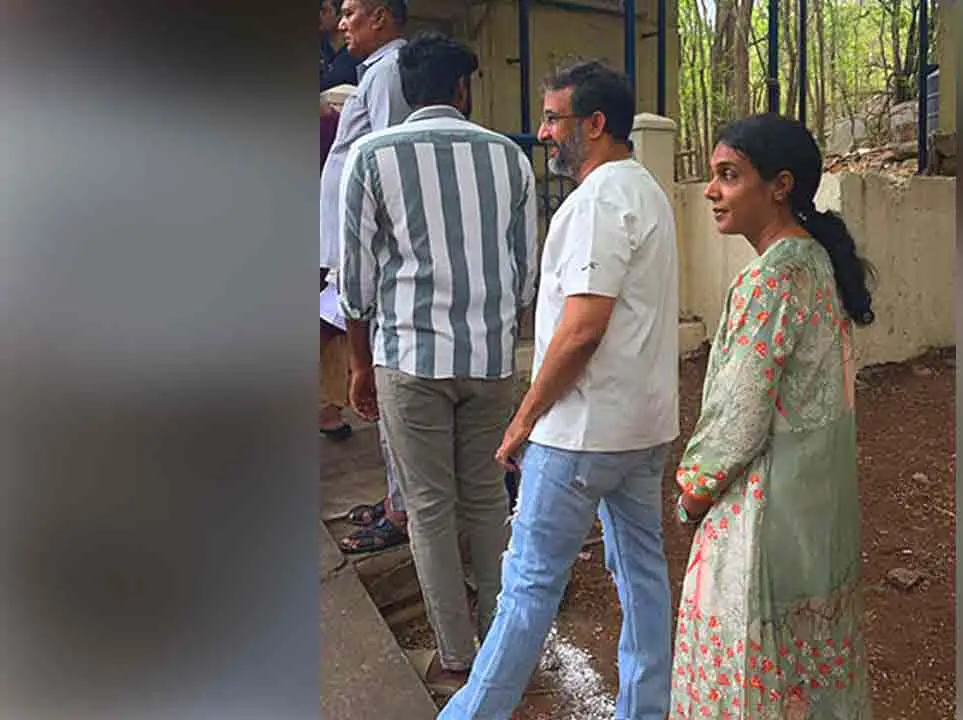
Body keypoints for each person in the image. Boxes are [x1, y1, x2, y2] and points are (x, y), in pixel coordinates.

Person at [440, 60, 679, 719]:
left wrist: (522, 421)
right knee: (642, 578)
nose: (543, 132)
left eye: (554, 118)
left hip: (580, 435)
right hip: (641, 429)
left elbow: (582, 330)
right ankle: (645, 709)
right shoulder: (646, 191)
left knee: (526, 589)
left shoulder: (599, 201)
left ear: (594, 125)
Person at [338, 32, 539, 690]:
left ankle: (457, 659)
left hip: (408, 360)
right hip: (488, 359)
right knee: (485, 499)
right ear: (462, 90)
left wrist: (360, 366)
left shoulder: (371, 156)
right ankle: (504, 646)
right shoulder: (510, 159)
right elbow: (526, 276)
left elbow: (356, 286)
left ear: (403, 90)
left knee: (428, 508)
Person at [668, 113, 876, 719]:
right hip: (817, 513)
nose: (711, 191)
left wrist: (693, 494)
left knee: (750, 669)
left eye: (728, 176)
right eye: (712, 176)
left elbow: (738, 419)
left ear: (779, 185)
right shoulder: (816, 263)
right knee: (810, 668)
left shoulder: (768, 280)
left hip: (763, 515)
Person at [319, 0, 413, 553]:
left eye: (353, 11)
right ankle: (395, 497)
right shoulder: (373, 74)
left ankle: (401, 511)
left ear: (381, 17)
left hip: (374, 261)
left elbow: (387, 164)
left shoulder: (388, 74)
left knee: (386, 388)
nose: (344, 22)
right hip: (358, 257)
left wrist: (369, 254)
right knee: (378, 390)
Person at [320, 0, 358, 90]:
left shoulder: (357, 49)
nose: (320, 15)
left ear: (339, 15)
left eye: (325, 11)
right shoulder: (322, 46)